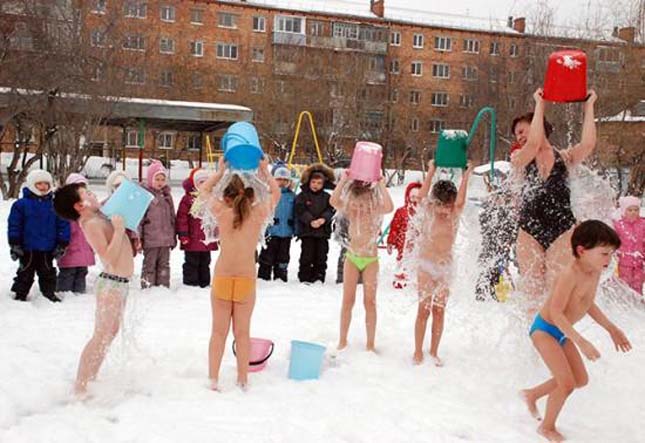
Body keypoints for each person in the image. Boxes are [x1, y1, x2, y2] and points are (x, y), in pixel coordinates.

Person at [520, 220, 631, 443]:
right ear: (581, 251)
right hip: (545, 330)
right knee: (566, 383)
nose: (609, 260)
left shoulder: (594, 271)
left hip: (562, 332)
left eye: (611, 254)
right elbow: (556, 312)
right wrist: (582, 342)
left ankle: (532, 394)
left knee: (580, 379)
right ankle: (547, 427)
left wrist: (612, 329)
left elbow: (587, 303)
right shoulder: (569, 274)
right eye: (604, 254)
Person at [511, 88, 598, 311]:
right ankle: (533, 341)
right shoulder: (519, 157)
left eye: (522, 130)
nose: (519, 137)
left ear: (539, 125)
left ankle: (554, 336)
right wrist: (540, 103)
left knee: (556, 290)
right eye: (517, 134)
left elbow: (588, 144)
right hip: (530, 228)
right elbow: (532, 144)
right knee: (531, 292)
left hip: (563, 228)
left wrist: (589, 105)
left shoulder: (565, 158)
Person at [200, 158, 280, 390]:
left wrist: (221, 171)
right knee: (242, 333)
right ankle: (242, 379)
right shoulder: (257, 215)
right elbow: (275, 193)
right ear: (251, 196)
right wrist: (264, 171)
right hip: (246, 279)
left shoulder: (222, 213)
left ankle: (213, 380)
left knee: (218, 332)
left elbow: (204, 190)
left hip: (223, 277)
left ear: (226, 196)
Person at [53, 183, 134, 396]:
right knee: (101, 335)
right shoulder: (90, 224)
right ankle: (80, 386)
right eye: (87, 193)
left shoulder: (97, 216)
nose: (92, 194)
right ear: (79, 206)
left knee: (109, 333)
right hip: (111, 283)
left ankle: (92, 376)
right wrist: (118, 231)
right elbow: (107, 257)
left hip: (119, 283)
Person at [413, 160, 474, 365]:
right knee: (424, 308)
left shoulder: (454, 215)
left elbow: (461, 202)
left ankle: (434, 351)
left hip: (445, 268)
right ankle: (417, 350)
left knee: (439, 310)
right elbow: (421, 197)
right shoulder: (429, 211)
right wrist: (431, 170)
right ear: (434, 202)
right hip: (426, 265)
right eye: (441, 205)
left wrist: (467, 174)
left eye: (448, 206)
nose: (444, 210)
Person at [331, 173, 394, 351]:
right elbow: (334, 201)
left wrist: (381, 184)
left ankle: (370, 343)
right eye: (357, 205)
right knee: (347, 301)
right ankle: (342, 340)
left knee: (370, 302)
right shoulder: (350, 210)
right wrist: (343, 180)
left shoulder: (374, 210)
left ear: (371, 202)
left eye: (364, 204)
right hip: (352, 258)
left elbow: (389, 207)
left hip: (370, 260)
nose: (360, 208)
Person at [8, 169, 70, 302]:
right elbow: (14, 225)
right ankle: (20, 294)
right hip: (27, 248)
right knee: (25, 272)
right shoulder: (21, 205)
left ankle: (49, 293)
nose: (43, 187)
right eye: (39, 184)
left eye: (46, 184)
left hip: (47, 247)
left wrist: (62, 243)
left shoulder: (54, 204)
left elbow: (63, 224)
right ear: (31, 185)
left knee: (48, 272)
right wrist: (14, 243)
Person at [474, 172, 517, 301]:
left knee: (497, 275)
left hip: (500, 252)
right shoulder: (488, 213)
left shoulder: (506, 213)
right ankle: (484, 296)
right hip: (489, 251)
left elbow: (511, 233)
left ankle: (497, 296)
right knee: (486, 276)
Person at [176, 168, 218, 288]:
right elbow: (182, 218)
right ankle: (191, 283)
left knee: (205, 262)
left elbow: (216, 219)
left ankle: (204, 282)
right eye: (201, 182)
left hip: (206, 239)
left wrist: (216, 234)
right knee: (191, 262)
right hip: (192, 238)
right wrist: (183, 234)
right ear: (194, 184)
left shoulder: (211, 199)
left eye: (206, 182)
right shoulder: (188, 199)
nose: (204, 185)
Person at [295, 163, 336, 284]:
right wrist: (310, 221)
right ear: (309, 182)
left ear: (323, 184)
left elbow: (332, 209)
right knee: (307, 255)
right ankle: (305, 276)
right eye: (313, 182)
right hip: (307, 231)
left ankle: (319, 276)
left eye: (319, 183)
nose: (316, 185)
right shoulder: (302, 196)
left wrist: (323, 219)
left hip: (322, 232)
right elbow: (300, 210)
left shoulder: (327, 197)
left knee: (321, 256)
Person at [57, 173, 95, 294]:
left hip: (84, 247)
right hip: (69, 248)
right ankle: (64, 292)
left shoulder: (89, 207)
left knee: (82, 272)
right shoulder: (65, 207)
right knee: (68, 272)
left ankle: (79, 293)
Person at [140, 160, 176, 288]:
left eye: (162, 179)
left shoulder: (167, 196)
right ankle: (147, 286)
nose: (160, 182)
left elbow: (172, 217)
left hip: (166, 240)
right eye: (157, 179)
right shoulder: (145, 196)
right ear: (150, 179)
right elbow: (141, 219)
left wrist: (174, 236)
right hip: (151, 239)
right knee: (149, 264)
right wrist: (139, 238)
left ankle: (163, 286)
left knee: (164, 265)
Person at [258, 163, 296, 282]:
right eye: (279, 179)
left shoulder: (292, 196)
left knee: (283, 256)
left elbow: (297, 213)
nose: (282, 182)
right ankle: (264, 276)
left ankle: (281, 276)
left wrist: (296, 227)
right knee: (267, 255)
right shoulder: (268, 195)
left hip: (286, 233)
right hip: (271, 232)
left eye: (285, 180)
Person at [387, 181, 422, 289]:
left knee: (418, 260)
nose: (415, 199)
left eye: (418, 197)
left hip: (419, 243)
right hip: (403, 243)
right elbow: (394, 228)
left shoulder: (424, 212)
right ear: (408, 196)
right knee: (403, 260)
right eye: (412, 196)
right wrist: (390, 242)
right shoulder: (402, 211)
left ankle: (416, 279)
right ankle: (400, 277)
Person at [613, 196, 644, 295]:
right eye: (630, 210)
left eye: (636, 209)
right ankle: (624, 303)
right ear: (623, 211)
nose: (633, 212)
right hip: (623, 262)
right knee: (624, 285)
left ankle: (638, 305)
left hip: (639, 263)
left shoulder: (643, 224)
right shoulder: (618, 225)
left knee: (638, 284)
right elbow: (614, 241)